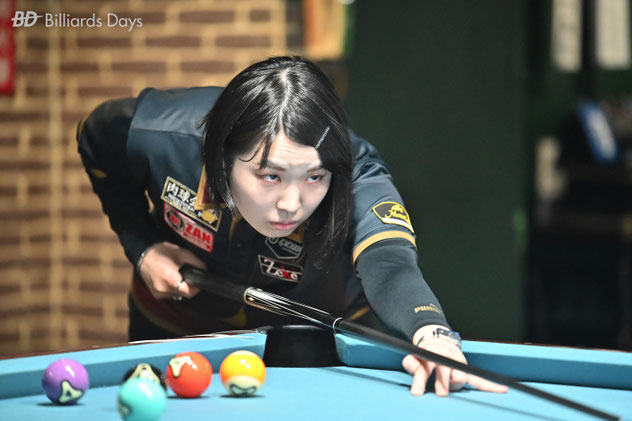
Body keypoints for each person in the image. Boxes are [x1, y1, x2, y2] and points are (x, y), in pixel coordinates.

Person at [77, 56, 507, 397]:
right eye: (271, 176)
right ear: (223, 158)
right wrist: (143, 247)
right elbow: (92, 138)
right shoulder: (161, 135)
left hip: (317, 340)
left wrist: (431, 333)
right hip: (176, 323)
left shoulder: (357, 175)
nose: (291, 204)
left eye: (314, 177)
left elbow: (390, 263)